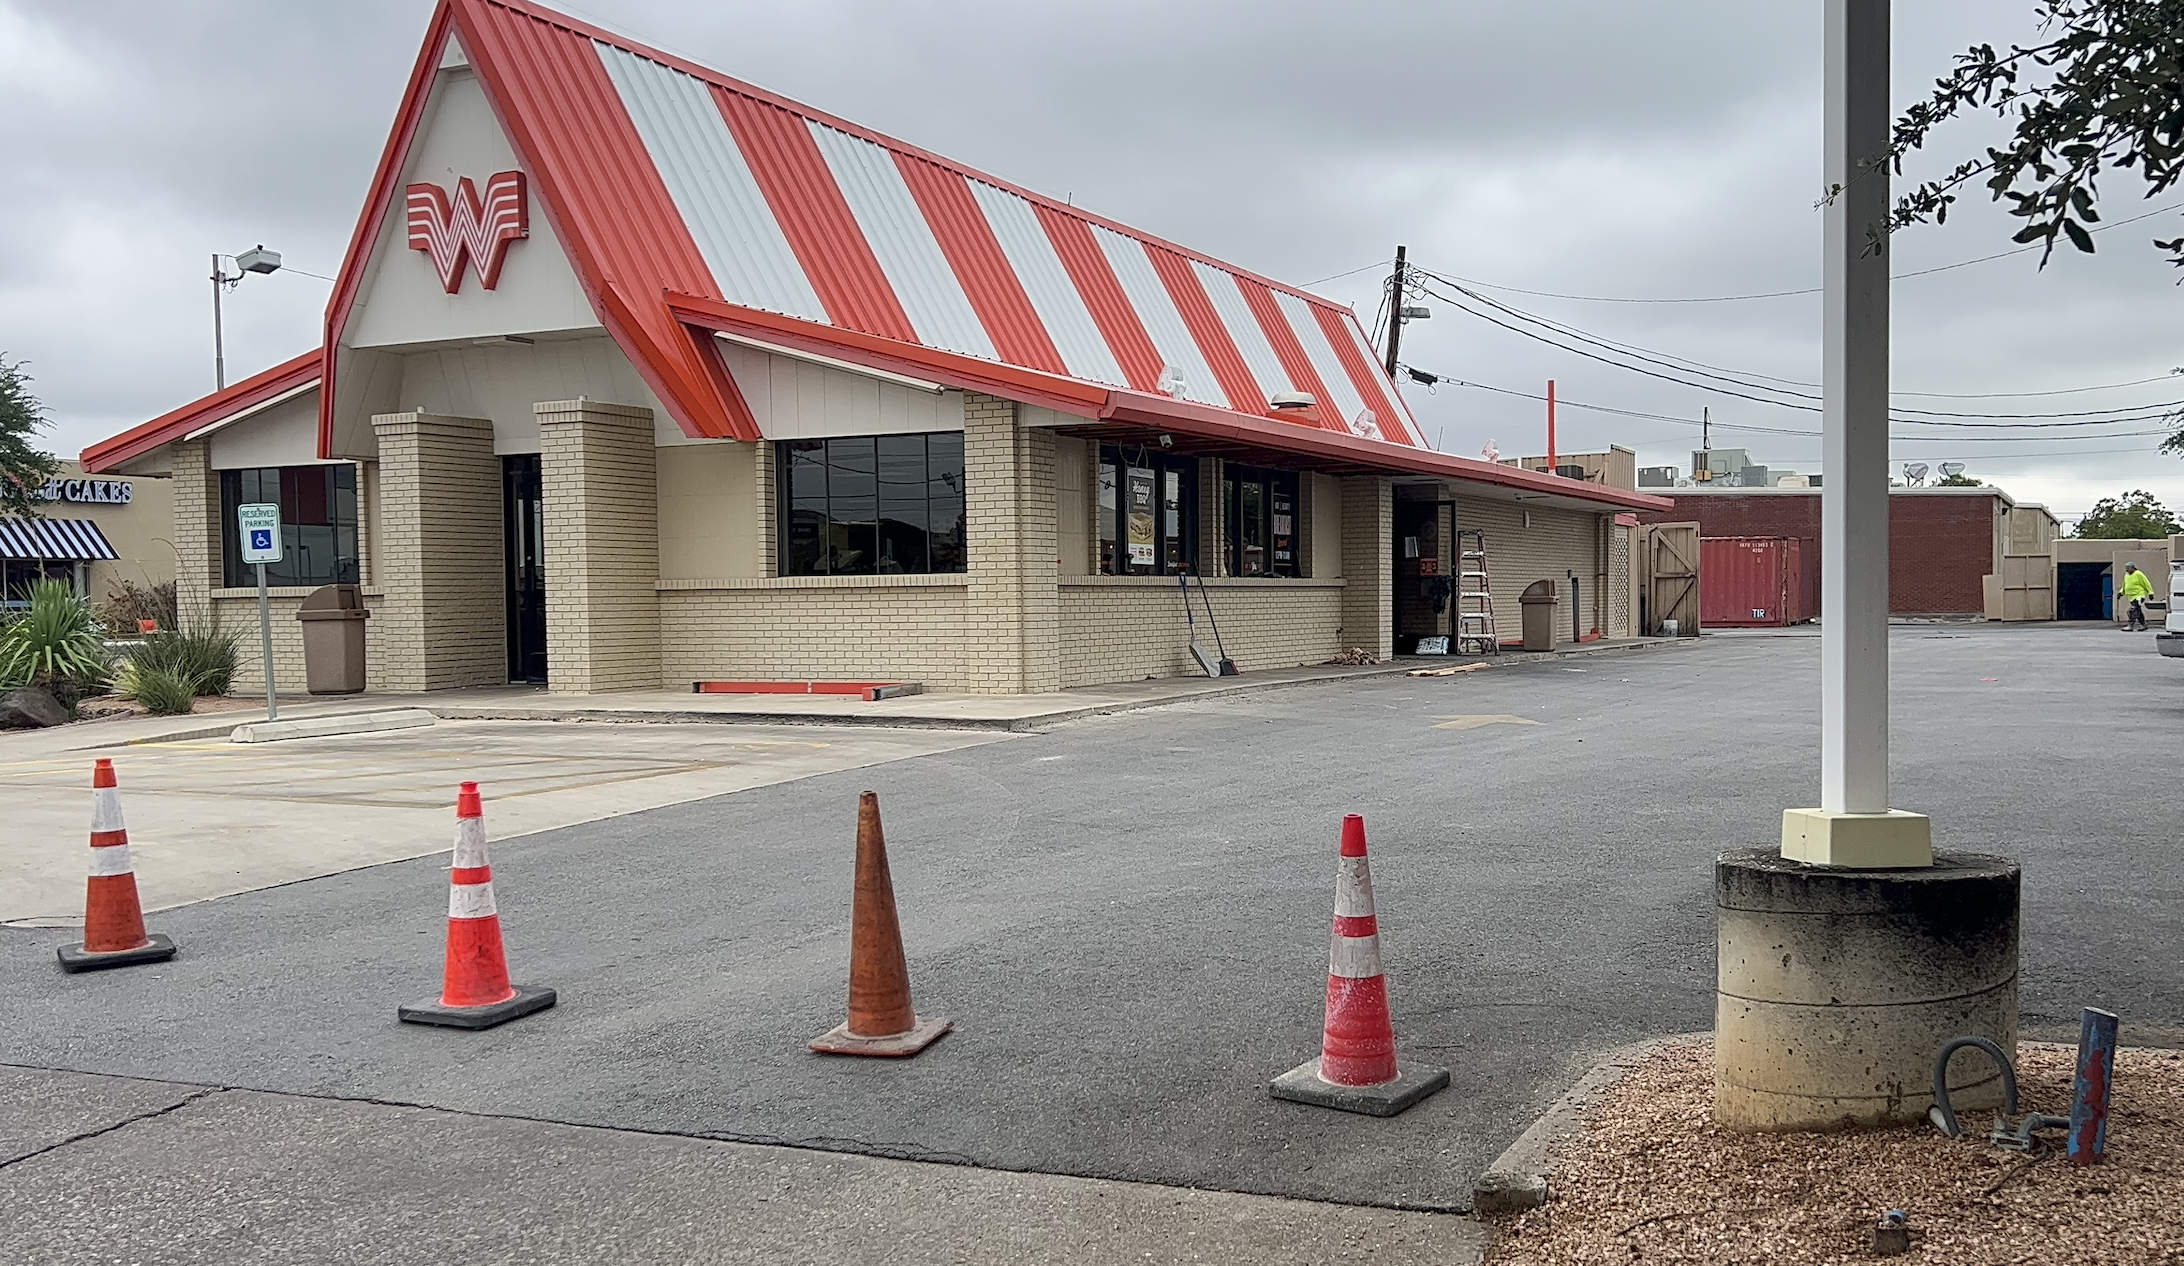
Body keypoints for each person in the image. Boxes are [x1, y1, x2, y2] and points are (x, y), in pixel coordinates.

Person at [2120, 562, 2154, 631]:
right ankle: (2143, 625)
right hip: (2131, 597)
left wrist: (2151, 593)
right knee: (2138, 611)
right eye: (2126, 568)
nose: (2127, 570)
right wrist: (2121, 593)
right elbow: (2124, 585)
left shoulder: (2138, 574)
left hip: (2139, 595)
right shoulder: (2126, 575)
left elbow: (2146, 583)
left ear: (2133, 568)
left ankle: (2130, 625)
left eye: (2128, 568)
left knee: (2132, 610)